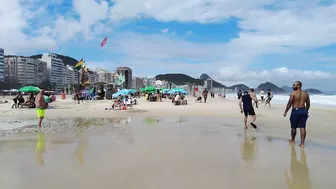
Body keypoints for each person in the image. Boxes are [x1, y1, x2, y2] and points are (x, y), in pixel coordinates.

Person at [283, 81, 310, 148]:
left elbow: (289, 103)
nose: (292, 86)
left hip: (296, 111)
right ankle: (302, 143)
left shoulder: (293, 93)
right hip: (303, 111)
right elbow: (308, 104)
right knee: (302, 127)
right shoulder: (306, 94)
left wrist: (285, 111)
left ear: (298, 85)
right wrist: (306, 111)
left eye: (294, 85)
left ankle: (292, 140)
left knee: (293, 127)